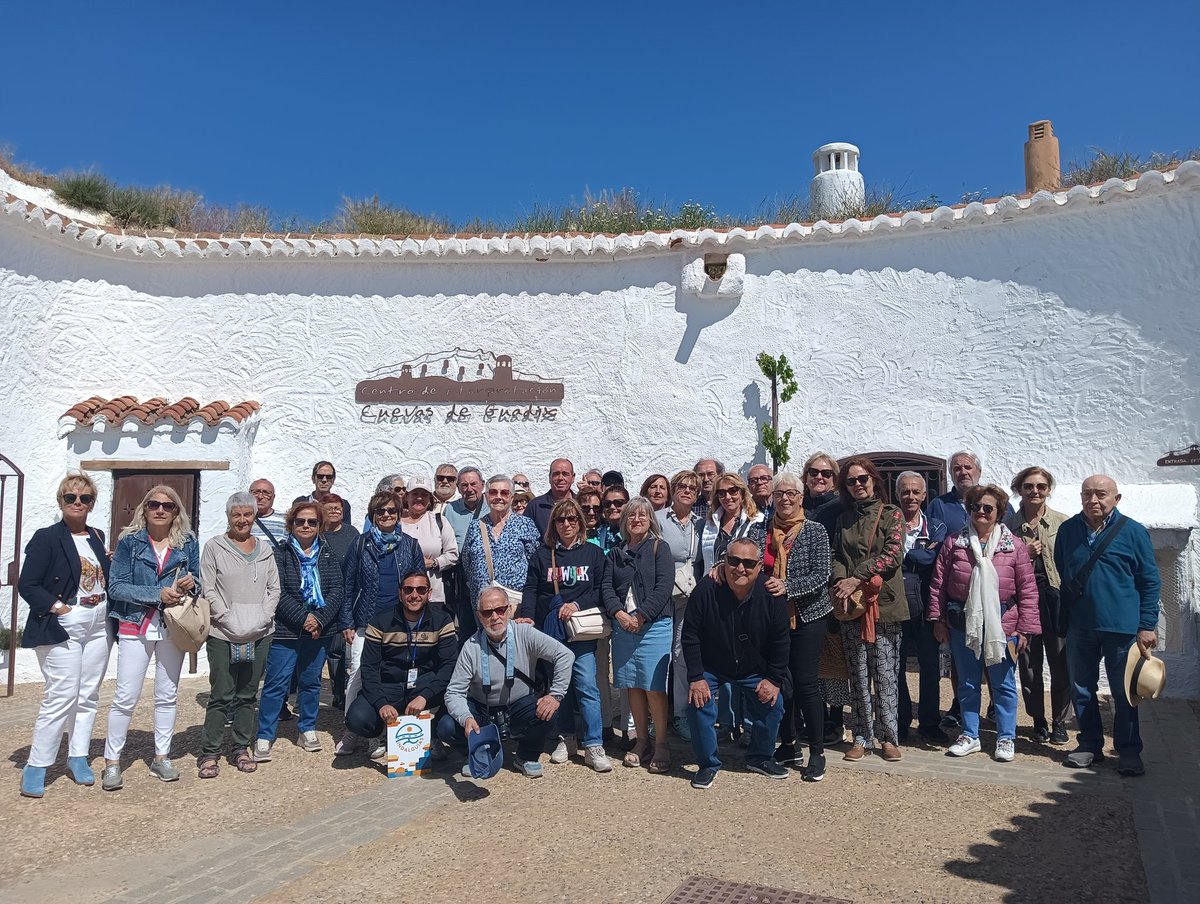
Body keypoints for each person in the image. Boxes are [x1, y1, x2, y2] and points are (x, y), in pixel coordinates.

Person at [1054, 475, 1161, 776]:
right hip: (1080, 625)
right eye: (1087, 494)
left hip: (1122, 628)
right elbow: (1064, 568)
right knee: (1082, 689)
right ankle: (1089, 744)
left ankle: (1128, 751)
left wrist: (1147, 625)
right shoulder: (1068, 530)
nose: (1093, 500)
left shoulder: (1133, 532)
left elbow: (1149, 581)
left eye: (1101, 494)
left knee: (1124, 692)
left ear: (1116, 498)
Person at [18, 472, 112, 798]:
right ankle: (37, 765)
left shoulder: (97, 536)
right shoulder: (47, 537)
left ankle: (78, 756)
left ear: (92, 503)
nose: (77, 502)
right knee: (61, 694)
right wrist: (59, 608)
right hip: (65, 622)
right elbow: (27, 584)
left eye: (85, 498)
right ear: (60, 501)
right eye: (70, 497)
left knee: (88, 694)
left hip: (99, 623)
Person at [929, 483, 1039, 762]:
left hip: (1004, 624)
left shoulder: (1013, 546)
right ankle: (970, 734)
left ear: (999, 512)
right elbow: (939, 585)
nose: (981, 511)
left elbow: (1028, 589)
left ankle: (1006, 737)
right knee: (967, 682)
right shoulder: (954, 542)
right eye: (976, 507)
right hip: (962, 623)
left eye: (988, 508)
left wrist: (1025, 628)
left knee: (1003, 684)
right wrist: (938, 619)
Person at [102, 485, 200, 791]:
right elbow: (116, 587)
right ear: (144, 509)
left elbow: (198, 580)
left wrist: (192, 582)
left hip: (172, 626)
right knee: (125, 696)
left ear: (176, 512)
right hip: (135, 624)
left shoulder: (187, 542)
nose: (160, 510)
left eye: (168, 506)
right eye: (154, 504)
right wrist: (156, 594)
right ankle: (112, 762)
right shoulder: (129, 542)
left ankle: (162, 757)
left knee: (167, 695)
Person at [683, 538, 791, 789]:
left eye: (749, 563)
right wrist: (696, 677)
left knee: (773, 703)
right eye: (734, 561)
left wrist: (773, 679)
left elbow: (781, 640)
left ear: (759, 567)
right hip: (712, 665)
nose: (740, 568)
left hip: (753, 668)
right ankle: (707, 764)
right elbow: (690, 635)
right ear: (724, 562)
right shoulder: (706, 589)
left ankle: (760, 757)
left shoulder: (771, 594)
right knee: (698, 703)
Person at [439, 587, 575, 778]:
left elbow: (564, 655)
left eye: (500, 610)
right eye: (488, 612)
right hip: (482, 709)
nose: (495, 617)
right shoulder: (471, 646)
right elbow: (454, 692)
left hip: (518, 706)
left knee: (548, 712)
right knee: (446, 726)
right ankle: (477, 754)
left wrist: (555, 695)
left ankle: (526, 755)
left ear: (509, 610)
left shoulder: (525, 633)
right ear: (479, 616)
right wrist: (466, 717)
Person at [748, 473, 833, 779]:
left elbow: (821, 574)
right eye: (779, 493)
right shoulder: (759, 531)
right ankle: (788, 743)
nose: (785, 498)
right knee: (781, 683)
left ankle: (817, 752)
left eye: (791, 493)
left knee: (806, 684)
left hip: (807, 616)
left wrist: (787, 586)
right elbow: (745, 560)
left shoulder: (815, 531)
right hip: (773, 618)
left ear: (801, 497)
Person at [520, 498, 612, 772]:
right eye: (561, 519)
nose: (567, 524)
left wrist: (577, 604)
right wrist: (528, 615)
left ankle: (594, 744)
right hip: (551, 631)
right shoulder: (542, 554)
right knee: (560, 686)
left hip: (580, 631)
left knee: (586, 685)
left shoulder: (594, 554)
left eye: (572, 519)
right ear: (554, 524)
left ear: (580, 522)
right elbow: (531, 588)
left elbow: (600, 589)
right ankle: (567, 738)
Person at [829, 458, 909, 763]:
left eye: (863, 479)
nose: (858, 485)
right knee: (858, 675)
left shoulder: (892, 514)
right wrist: (841, 581)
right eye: (851, 481)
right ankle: (862, 736)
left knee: (885, 675)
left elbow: (893, 554)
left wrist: (856, 577)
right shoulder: (844, 519)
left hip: (884, 605)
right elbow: (837, 554)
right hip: (853, 606)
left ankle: (888, 737)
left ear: (873, 480)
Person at [197, 492, 280, 779]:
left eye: (247, 514)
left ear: (254, 516)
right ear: (228, 517)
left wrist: (264, 616)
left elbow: (274, 589)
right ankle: (210, 751)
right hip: (222, 632)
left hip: (260, 632)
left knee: (247, 694)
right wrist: (226, 616)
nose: (242, 520)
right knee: (221, 693)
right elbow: (208, 587)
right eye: (237, 515)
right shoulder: (214, 547)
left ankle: (241, 747)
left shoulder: (265, 550)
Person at [255, 501, 346, 761]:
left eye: (312, 522)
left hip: (319, 631)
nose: (306, 526)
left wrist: (318, 619)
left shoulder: (326, 554)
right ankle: (264, 734)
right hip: (287, 630)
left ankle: (306, 727)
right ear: (291, 524)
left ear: (319, 526)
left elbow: (337, 589)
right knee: (276, 683)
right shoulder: (280, 554)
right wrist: (303, 618)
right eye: (300, 521)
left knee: (311, 682)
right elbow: (277, 591)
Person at [338, 491, 424, 756]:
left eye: (391, 511)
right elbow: (347, 585)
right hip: (366, 621)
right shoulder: (360, 544)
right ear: (372, 515)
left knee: (394, 675)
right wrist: (347, 621)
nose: (386, 515)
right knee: (357, 673)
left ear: (399, 514)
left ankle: (385, 733)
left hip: (400, 623)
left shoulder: (410, 545)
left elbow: (420, 583)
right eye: (380, 511)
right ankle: (353, 729)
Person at [345, 572, 458, 751]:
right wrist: (381, 703)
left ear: (429, 593)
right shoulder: (380, 622)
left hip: (424, 682)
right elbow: (369, 668)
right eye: (408, 590)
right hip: (389, 684)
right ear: (400, 593)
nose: (414, 595)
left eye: (421, 590)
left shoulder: (442, 620)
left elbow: (449, 665)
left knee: (453, 702)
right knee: (358, 719)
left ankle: (432, 732)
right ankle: (382, 732)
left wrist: (425, 696)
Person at [601, 497, 675, 773]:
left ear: (650, 520)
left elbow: (664, 586)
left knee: (653, 686)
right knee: (632, 684)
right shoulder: (615, 552)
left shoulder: (659, 547)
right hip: (624, 627)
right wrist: (619, 613)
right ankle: (642, 741)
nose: (637, 519)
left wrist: (641, 615)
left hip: (653, 626)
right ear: (624, 521)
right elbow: (607, 587)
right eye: (632, 515)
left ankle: (662, 743)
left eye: (643, 515)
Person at [1005, 466, 1071, 744]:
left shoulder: (1063, 523)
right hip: (1024, 602)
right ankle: (1038, 719)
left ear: (1048, 490)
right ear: (1019, 490)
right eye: (1029, 486)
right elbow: (1002, 566)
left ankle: (1060, 721)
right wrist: (1025, 552)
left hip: (1056, 600)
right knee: (1029, 665)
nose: (1035, 491)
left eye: (1041, 486)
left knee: (1061, 663)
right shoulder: (1007, 527)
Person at [895, 471, 949, 743]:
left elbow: (933, 558)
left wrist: (905, 556)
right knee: (896, 664)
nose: (911, 496)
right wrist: (919, 554)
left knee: (930, 665)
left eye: (916, 491)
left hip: (928, 603)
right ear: (898, 495)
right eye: (905, 491)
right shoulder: (888, 524)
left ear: (925, 495)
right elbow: (887, 557)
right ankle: (901, 721)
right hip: (895, 603)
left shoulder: (937, 527)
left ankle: (929, 723)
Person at [657, 470, 703, 740]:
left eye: (693, 489)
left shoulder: (701, 523)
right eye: (682, 486)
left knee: (681, 653)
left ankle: (681, 714)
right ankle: (657, 715)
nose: (687, 491)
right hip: (662, 595)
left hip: (689, 596)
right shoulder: (658, 518)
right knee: (660, 654)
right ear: (673, 490)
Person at [462, 475, 542, 612]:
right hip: (483, 605)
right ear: (486, 496)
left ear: (511, 498)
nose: (498, 497)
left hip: (515, 604)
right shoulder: (475, 526)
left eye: (504, 493)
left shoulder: (525, 524)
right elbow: (466, 561)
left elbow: (535, 561)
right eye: (493, 492)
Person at [399, 476, 459, 608]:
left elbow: (453, 554)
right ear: (407, 497)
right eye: (415, 494)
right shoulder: (396, 524)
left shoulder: (439, 521)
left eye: (424, 495)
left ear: (430, 498)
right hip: (403, 595)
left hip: (434, 595)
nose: (419, 498)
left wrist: (433, 563)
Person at [444, 467, 489, 641]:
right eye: (464, 485)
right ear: (458, 488)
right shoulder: (450, 510)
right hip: (462, 578)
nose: (469, 489)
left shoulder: (492, 506)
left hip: (488, 575)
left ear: (482, 485)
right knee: (467, 627)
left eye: (473, 484)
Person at [928, 450, 983, 537]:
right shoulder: (938, 505)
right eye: (957, 469)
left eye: (968, 467)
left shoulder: (994, 502)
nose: (963, 472)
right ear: (951, 474)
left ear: (979, 472)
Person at [293, 460, 352, 526]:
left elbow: (346, 530)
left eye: (329, 477)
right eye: (320, 476)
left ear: (333, 480)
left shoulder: (342, 505)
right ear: (313, 478)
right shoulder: (300, 502)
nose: (324, 480)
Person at [529, 458, 576, 536]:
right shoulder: (535, 506)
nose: (560, 478)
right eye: (556, 474)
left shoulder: (581, 504)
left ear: (573, 478)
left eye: (565, 474)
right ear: (549, 477)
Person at [320, 494, 359, 568]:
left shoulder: (352, 532)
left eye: (337, 509)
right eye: (329, 509)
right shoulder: (317, 533)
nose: (333, 512)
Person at [249, 479, 287, 546]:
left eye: (266, 493)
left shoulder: (285, 519)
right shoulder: (241, 518)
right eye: (255, 492)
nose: (260, 497)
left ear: (273, 497)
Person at [594, 485, 629, 554]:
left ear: (628, 505)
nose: (612, 507)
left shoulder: (635, 532)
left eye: (618, 503)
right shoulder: (597, 534)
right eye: (607, 504)